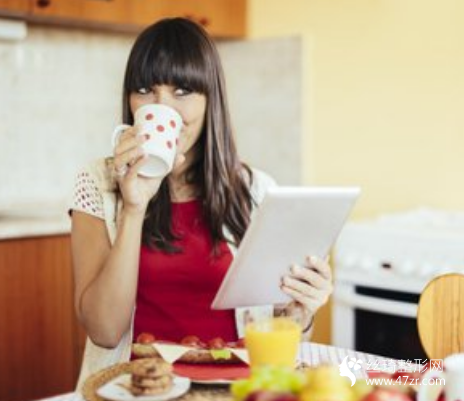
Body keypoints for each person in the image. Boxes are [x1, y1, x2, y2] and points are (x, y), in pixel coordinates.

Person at [70, 17, 333, 387]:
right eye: (145, 90)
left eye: (182, 91)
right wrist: (134, 208)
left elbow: (279, 341)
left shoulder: (257, 190)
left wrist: (300, 311)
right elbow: (104, 331)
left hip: (234, 388)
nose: (164, 109)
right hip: (136, 389)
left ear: (211, 101)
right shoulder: (96, 182)